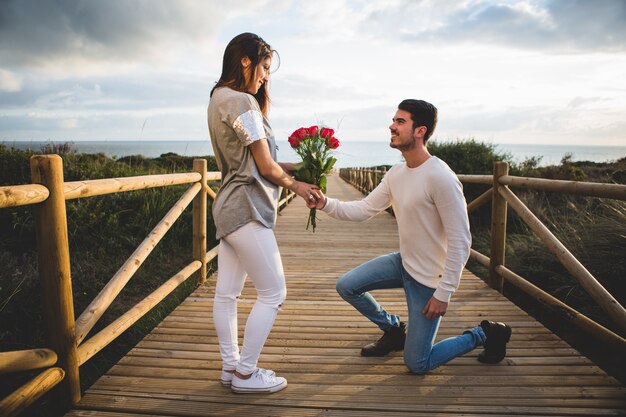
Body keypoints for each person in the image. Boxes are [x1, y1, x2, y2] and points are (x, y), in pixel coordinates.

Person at [311, 99, 512, 373]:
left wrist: (444, 293)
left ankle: (484, 334)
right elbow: (363, 209)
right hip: (403, 262)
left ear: (420, 131)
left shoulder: (440, 177)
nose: (392, 126)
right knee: (347, 285)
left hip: (429, 279)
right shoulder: (397, 173)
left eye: (400, 121)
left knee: (417, 363)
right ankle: (394, 330)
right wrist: (324, 203)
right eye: (394, 120)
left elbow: (461, 241)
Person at [207, 33, 322, 393]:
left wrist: (306, 165)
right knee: (274, 292)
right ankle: (246, 373)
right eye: (265, 67)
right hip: (246, 207)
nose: (266, 76)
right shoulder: (242, 101)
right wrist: (299, 186)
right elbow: (266, 168)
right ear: (246, 60)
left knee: (227, 294)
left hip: (227, 205)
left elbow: (261, 162)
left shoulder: (217, 99)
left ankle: (231, 368)